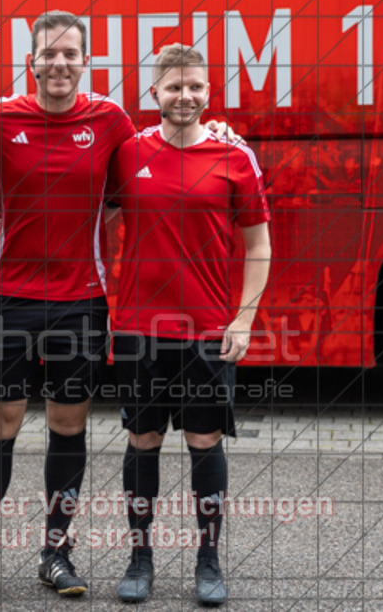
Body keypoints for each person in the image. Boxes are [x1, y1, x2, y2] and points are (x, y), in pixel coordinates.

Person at [0, 11, 241, 599]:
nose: (59, 63)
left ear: (85, 62)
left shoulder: (109, 120)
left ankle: (56, 553)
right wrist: (3, 200)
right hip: (8, 298)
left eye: (71, 55)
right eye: (48, 54)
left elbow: (146, 173)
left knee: (68, 427)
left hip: (82, 301)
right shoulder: (0, 117)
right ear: (31, 61)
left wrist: (225, 135)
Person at [107, 43, 271, 606]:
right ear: (155, 93)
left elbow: (258, 246)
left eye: (196, 87)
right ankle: (139, 559)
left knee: (205, 443)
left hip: (205, 329)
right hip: (138, 327)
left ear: (209, 93)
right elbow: (90, 216)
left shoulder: (235, 158)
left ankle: (208, 559)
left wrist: (244, 319)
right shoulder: (126, 154)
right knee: (143, 441)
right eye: (175, 87)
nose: (186, 96)